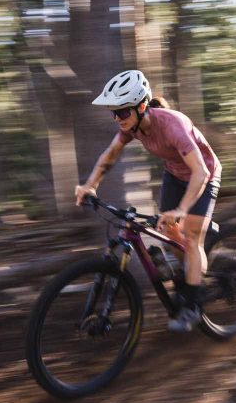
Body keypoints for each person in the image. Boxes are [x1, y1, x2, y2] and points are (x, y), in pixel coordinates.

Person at [75, 70, 222, 333]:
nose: (117, 118)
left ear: (142, 106)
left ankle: (192, 303)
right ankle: (191, 271)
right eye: (114, 113)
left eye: (122, 112)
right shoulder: (132, 127)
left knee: (191, 237)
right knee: (169, 230)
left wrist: (182, 209)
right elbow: (110, 155)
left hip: (205, 175)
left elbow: (200, 172)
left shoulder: (173, 125)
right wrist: (90, 185)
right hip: (175, 174)